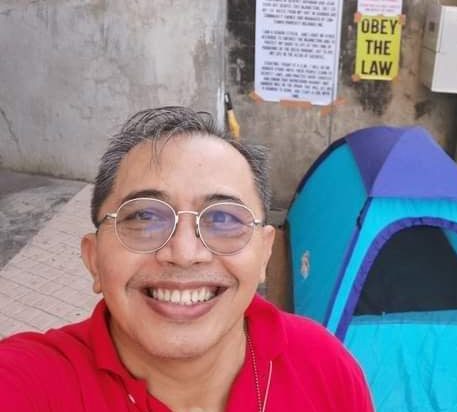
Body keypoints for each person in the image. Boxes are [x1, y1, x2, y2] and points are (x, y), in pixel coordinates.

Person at [0, 107, 374, 412]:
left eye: (224, 218)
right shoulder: (34, 382)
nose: (184, 253)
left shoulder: (324, 368)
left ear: (264, 254)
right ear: (94, 258)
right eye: (144, 216)